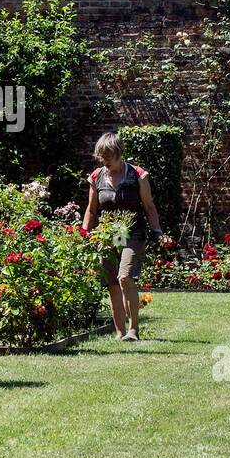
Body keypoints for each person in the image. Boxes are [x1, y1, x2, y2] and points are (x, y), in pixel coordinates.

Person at [82, 131, 164, 341]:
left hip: (133, 233)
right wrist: (84, 234)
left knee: (124, 276)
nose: (105, 160)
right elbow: (91, 210)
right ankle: (119, 332)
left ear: (119, 153)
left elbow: (149, 206)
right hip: (107, 235)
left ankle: (133, 330)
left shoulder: (137, 175)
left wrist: (157, 231)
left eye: (109, 156)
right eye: (102, 156)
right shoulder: (96, 177)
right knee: (112, 284)